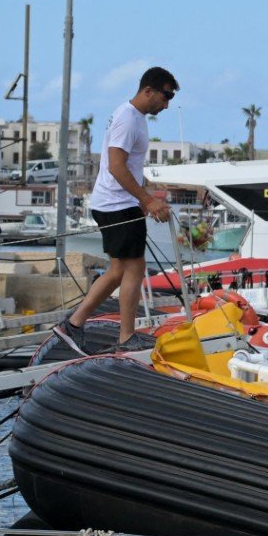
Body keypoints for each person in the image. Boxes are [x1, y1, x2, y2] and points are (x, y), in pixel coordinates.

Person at [58, 66, 178, 350]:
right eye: (166, 95)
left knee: (117, 271)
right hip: (117, 204)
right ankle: (126, 336)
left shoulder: (136, 118)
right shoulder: (128, 119)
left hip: (117, 202)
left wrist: (147, 197)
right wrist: (147, 201)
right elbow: (115, 166)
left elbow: (131, 168)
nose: (167, 103)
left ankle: (73, 324)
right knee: (135, 267)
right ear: (148, 90)